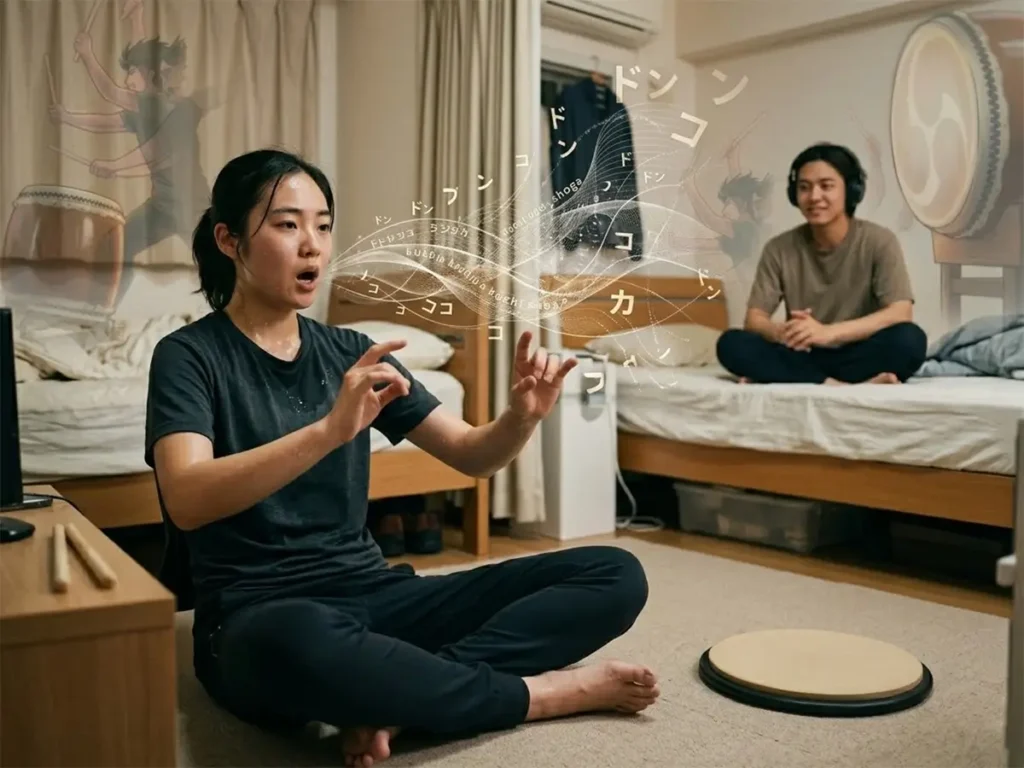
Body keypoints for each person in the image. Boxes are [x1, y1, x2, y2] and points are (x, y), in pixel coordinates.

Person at [145, 148, 658, 766]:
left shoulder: (350, 350)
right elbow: (188, 498)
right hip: (259, 616)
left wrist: (521, 417)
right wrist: (330, 431)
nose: (312, 244)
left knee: (613, 574)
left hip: (376, 596)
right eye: (287, 224)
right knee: (302, 643)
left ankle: (400, 696)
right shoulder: (189, 356)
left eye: (323, 224)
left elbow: (472, 455)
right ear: (229, 239)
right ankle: (539, 696)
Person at [715, 142, 927, 385]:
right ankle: (834, 383)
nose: (814, 197)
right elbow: (754, 318)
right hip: (803, 353)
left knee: (910, 340)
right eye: (805, 187)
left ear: (850, 189)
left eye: (826, 186)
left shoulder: (880, 241)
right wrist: (783, 332)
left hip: (856, 350)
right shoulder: (778, 248)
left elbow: (900, 312)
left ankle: (793, 377)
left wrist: (827, 333)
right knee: (731, 344)